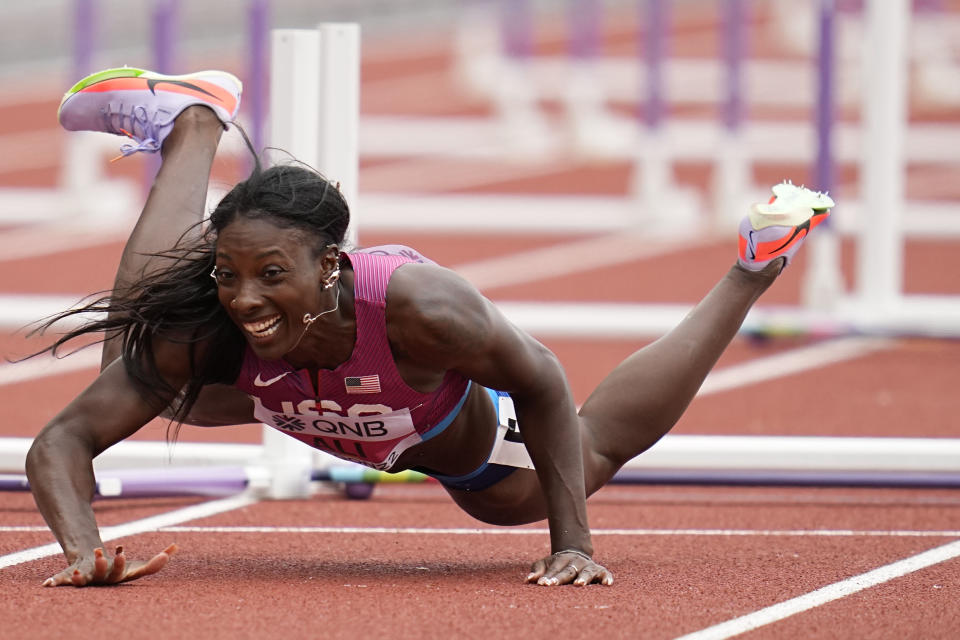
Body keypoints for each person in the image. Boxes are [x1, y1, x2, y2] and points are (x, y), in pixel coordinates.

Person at [25, 67, 834, 588]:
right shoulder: (218, 322)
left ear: (331, 269)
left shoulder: (423, 308)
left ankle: (750, 270)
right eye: (228, 274)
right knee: (138, 352)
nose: (244, 299)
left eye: (273, 276)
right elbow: (59, 442)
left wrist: (574, 543)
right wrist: (82, 548)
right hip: (301, 397)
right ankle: (195, 123)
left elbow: (543, 378)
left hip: (436, 425)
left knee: (565, 469)